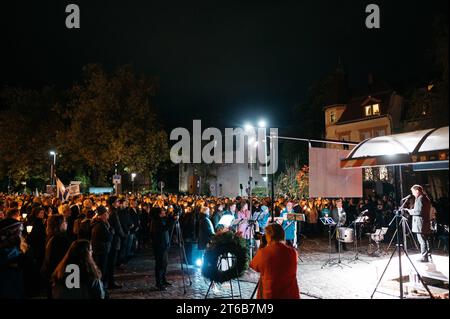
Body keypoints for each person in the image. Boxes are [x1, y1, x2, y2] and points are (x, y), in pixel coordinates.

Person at [250, 223, 299, 299]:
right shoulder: (292, 252)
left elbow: (254, 265)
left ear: (270, 236)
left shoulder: (265, 252)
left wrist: (262, 246)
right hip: (290, 293)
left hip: (272, 293)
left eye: (266, 234)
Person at [41, 214, 71, 298]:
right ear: (59, 224)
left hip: (52, 273)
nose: (66, 223)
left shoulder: (51, 236)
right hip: (60, 274)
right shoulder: (60, 239)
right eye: (65, 221)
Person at [150, 206, 176, 291]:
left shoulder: (162, 219)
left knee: (165, 263)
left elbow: (168, 221)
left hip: (164, 244)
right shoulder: (156, 222)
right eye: (162, 211)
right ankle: (159, 283)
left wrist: (173, 216)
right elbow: (164, 229)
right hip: (159, 246)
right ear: (159, 214)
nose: (164, 212)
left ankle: (163, 280)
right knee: (160, 265)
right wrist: (173, 221)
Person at [406, 185, 432, 262]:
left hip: (420, 223)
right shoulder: (425, 198)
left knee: (422, 241)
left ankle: (424, 257)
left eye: (413, 192)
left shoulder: (420, 199)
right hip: (424, 222)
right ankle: (428, 255)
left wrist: (409, 211)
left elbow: (419, 211)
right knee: (426, 240)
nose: (412, 193)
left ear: (417, 191)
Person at [91, 206, 112, 286]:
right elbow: (108, 237)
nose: (108, 214)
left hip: (101, 249)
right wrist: (111, 231)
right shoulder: (100, 225)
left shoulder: (101, 223)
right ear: (103, 215)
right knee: (101, 269)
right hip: (101, 250)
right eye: (106, 213)